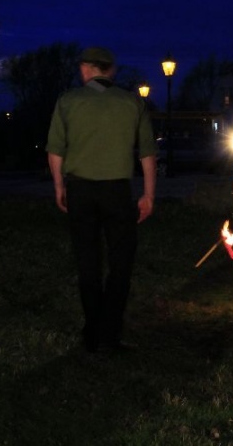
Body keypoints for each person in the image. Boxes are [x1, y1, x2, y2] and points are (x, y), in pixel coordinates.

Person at [46, 47, 157, 352]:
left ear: (86, 69)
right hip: (116, 191)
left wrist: (59, 186)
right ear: (110, 70)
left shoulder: (68, 101)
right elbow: (148, 153)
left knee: (88, 261)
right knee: (121, 262)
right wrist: (148, 194)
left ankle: (92, 330)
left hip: (80, 190)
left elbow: (55, 150)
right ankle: (110, 332)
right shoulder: (132, 102)